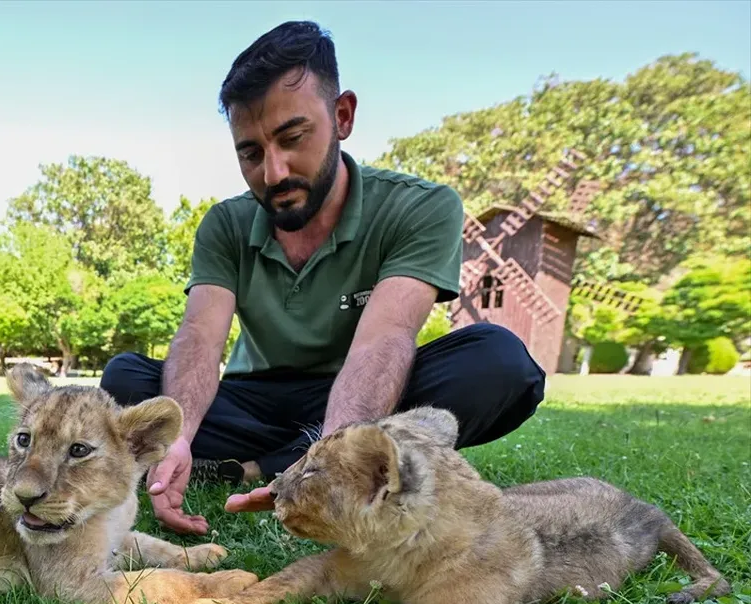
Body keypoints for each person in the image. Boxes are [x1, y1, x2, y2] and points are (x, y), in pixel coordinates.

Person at [100, 22, 546, 536]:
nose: (273, 172)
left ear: (342, 115)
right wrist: (177, 436)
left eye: (293, 137)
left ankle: (266, 465)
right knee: (127, 379)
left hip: (366, 387)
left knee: (498, 363)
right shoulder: (224, 223)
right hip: (254, 398)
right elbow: (201, 336)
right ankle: (260, 455)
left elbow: (385, 338)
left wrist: (328, 463)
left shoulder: (421, 206)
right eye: (250, 152)